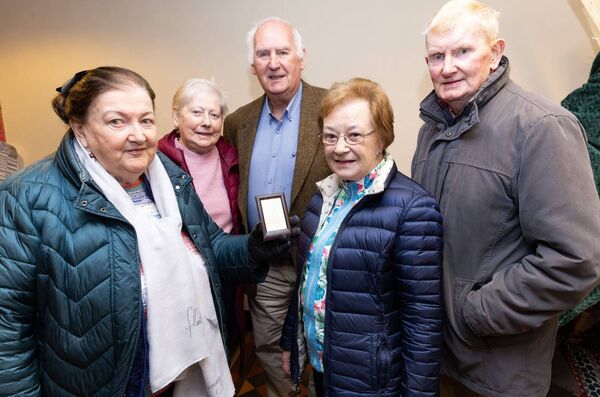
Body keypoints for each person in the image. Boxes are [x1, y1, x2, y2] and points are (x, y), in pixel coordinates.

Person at [0, 66, 295, 397]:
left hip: (185, 375)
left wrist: (251, 250)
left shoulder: (171, 178)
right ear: (80, 128)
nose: (138, 134)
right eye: (117, 121)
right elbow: (8, 327)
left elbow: (209, 245)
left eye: (145, 120)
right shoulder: (25, 198)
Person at [411, 1, 600, 396]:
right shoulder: (431, 129)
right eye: (437, 55)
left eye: (463, 51)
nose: (447, 67)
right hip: (438, 356)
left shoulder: (542, 127)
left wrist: (476, 313)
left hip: (499, 369)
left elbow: (576, 260)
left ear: (495, 53)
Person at [281, 77, 444, 396]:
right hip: (325, 367)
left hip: (373, 383)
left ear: (382, 137)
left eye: (354, 135)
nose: (340, 147)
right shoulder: (323, 197)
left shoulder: (413, 209)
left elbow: (423, 324)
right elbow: (305, 279)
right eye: (330, 136)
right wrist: (292, 340)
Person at [223, 16, 330, 396]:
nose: (273, 62)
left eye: (282, 52)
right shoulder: (238, 122)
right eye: (263, 54)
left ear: (301, 57)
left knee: (323, 348)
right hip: (265, 263)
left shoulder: (330, 107)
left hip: (320, 260)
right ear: (252, 65)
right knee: (268, 346)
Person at [158, 78, 243, 340]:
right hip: (180, 273)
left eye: (214, 114)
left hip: (226, 265)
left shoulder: (232, 155)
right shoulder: (157, 162)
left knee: (225, 336)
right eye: (196, 112)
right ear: (176, 117)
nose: (206, 122)